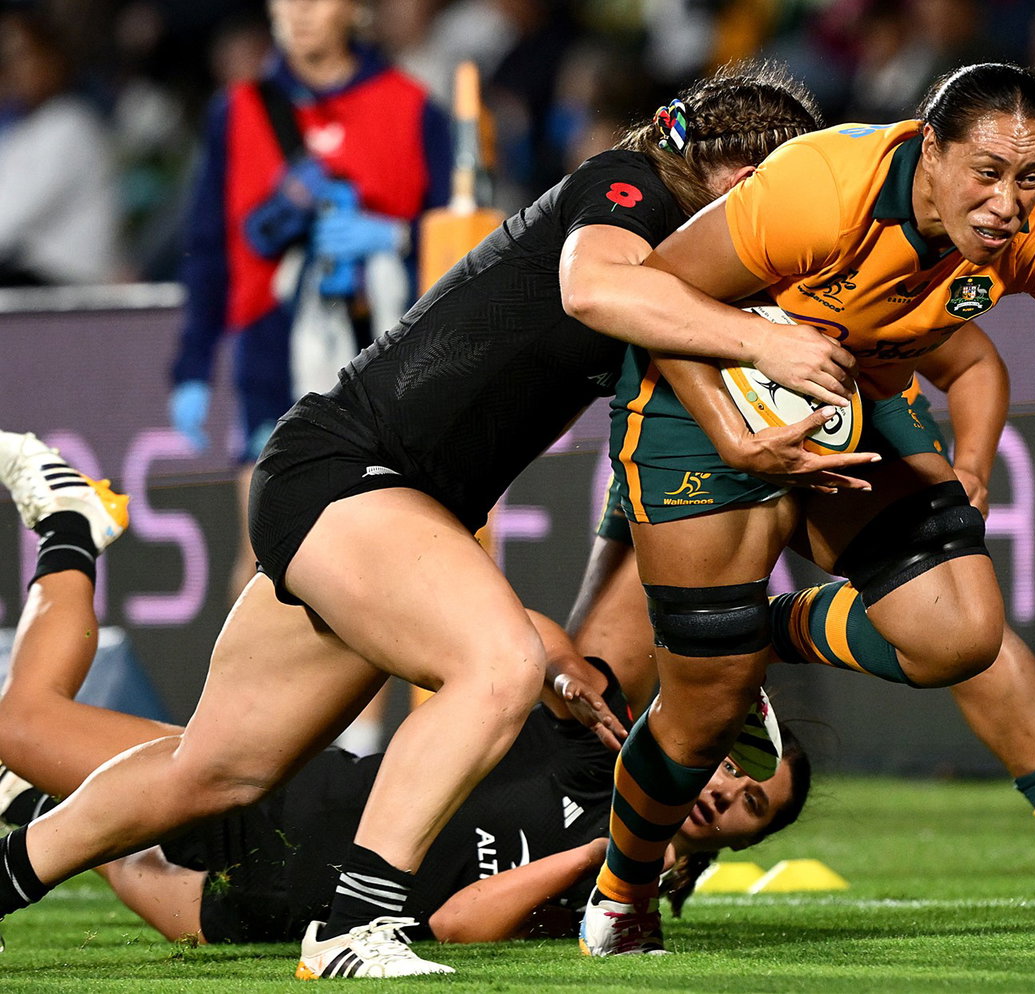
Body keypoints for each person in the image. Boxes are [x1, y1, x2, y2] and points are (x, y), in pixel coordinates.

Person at [0, 64, 858, 979]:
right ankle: (351, 928)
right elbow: (594, 289)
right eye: (779, 192)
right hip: (351, 475)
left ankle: (11, 868)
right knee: (498, 664)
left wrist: (747, 439)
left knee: (212, 773)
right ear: (737, 177)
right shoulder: (629, 188)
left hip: (358, 490)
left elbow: (656, 381)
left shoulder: (673, 259)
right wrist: (768, 340)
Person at [578, 61, 1035, 956]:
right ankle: (621, 896)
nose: (1009, 202)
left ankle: (770, 631)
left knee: (963, 630)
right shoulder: (824, 188)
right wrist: (736, 436)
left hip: (837, 397)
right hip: (690, 396)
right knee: (703, 712)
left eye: (1030, 176)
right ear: (928, 150)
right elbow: (657, 291)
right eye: (986, 171)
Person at [0, 471, 807, 949]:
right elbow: (516, 632)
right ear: (718, 747)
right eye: (741, 775)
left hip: (248, 912)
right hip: (273, 789)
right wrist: (559, 668)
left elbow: (461, 924)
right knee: (24, 727)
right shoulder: (602, 746)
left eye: (749, 811)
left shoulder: (615, 902)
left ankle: (33, 797)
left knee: (65, 803)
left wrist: (605, 858)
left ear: (743, 842)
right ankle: (73, 522)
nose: (727, 796)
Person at [569, 321, 1035, 907]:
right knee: (593, 682)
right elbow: (627, 294)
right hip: (694, 430)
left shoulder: (864, 270)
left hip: (854, 439)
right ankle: (629, 863)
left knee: (959, 632)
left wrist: (973, 466)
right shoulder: (746, 247)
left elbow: (972, 361)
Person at [169, 0, 452, 602]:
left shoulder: (413, 107)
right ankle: (247, 698)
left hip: (382, 355)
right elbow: (209, 246)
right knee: (261, 555)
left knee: (372, 563)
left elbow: (458, 242)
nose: (297, 13)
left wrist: (393, 241)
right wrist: (192, 366)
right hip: (269, 355)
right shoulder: (238, 111)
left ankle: (362, 703)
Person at [0, 11, 122, 286]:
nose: (14, 70)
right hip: (29, 276)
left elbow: (10, 218)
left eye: (24, 56)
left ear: (52, 59)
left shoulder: (70, 124)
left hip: (71, 284)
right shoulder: (23, 130)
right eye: (8, 59)